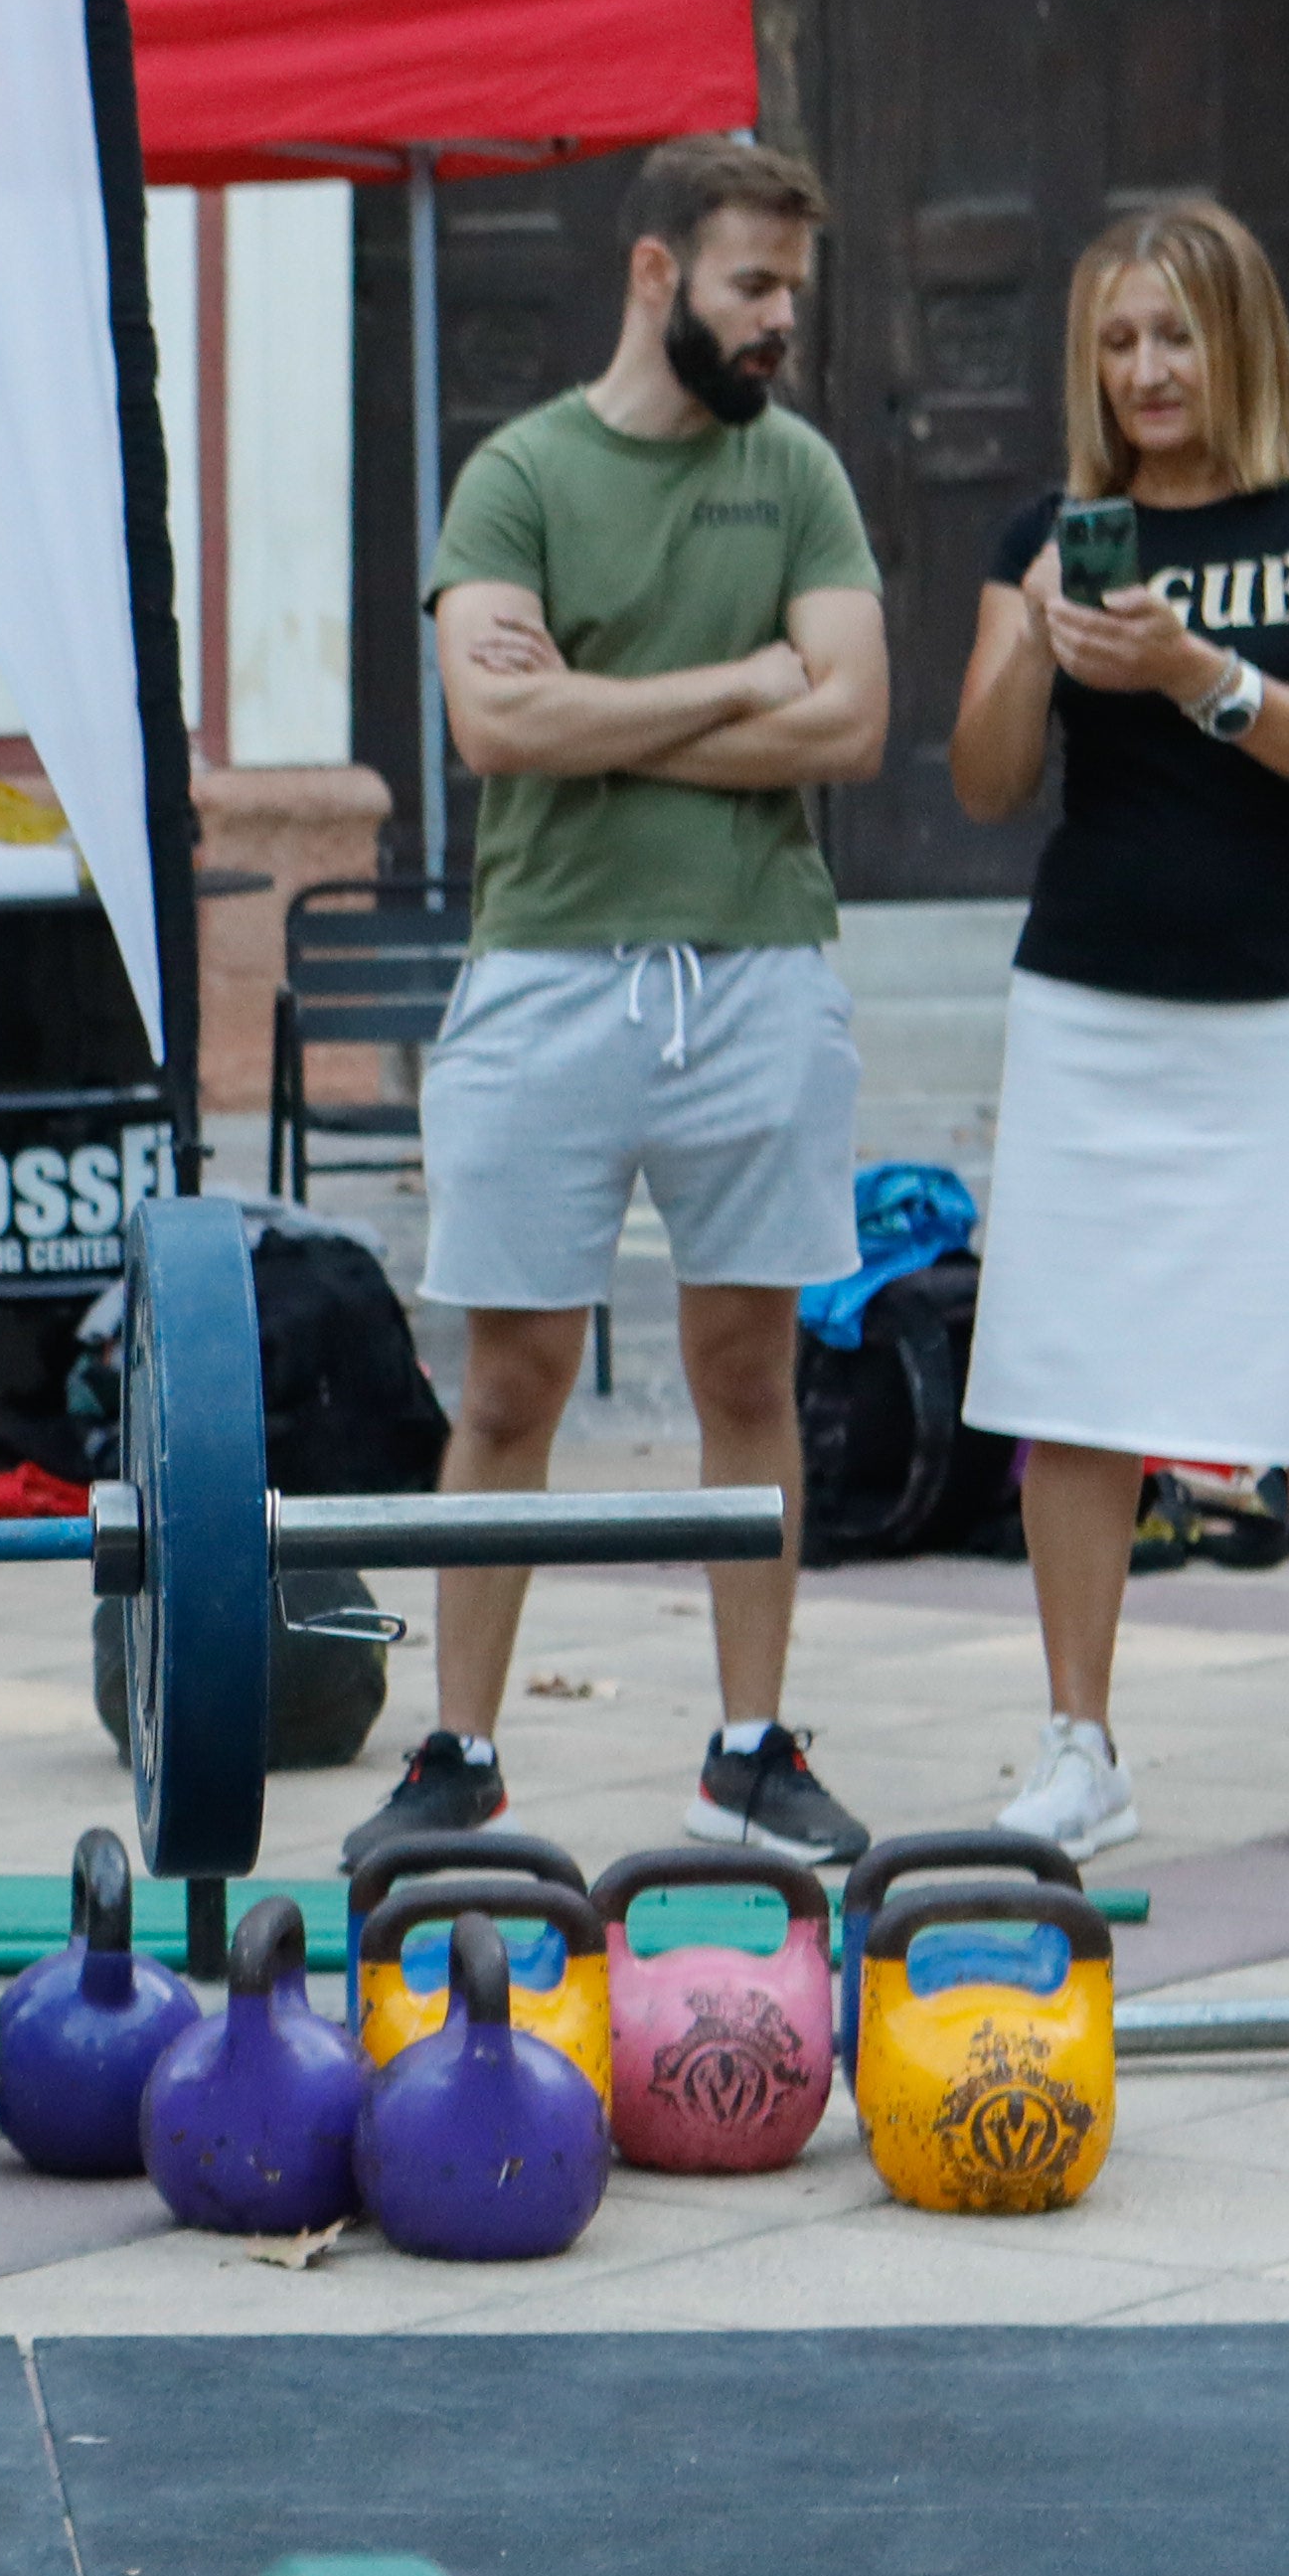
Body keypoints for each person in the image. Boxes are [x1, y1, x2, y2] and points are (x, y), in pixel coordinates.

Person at [360, 132, 891, 1875]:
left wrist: (619, 697)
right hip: (547, 972)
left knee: (749, 1366)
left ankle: (748, 1751)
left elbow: (854, 725)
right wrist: (745, 679)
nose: (777, 325)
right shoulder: (517, 477)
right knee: (510, 1382)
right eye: (751, 288)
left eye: (791, 295)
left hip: (759, 970)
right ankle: (460, 1759)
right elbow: (498, 730)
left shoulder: (799, 474)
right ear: (658, 274)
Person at [943, 195, 1289, 1856]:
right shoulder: (1056, 525)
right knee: (1069, 1381)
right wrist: (1038, 635)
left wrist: (1195, 673)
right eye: (1119, 341)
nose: (1149, 370)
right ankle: (1079, 1740)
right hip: (1094, 1004)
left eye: (1174, 334)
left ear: (1238, 339)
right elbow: (989, 781)